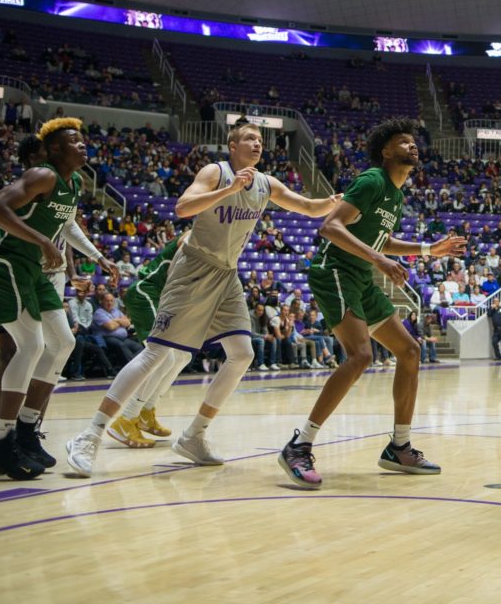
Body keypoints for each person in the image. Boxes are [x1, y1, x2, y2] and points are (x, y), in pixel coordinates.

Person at [66, 123, 342, 477]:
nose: (257, 143)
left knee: (243, 354)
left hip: (226, 274)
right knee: (157, 353)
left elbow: (307, 206)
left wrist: (333, 202)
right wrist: (228, 189)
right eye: (249, 138)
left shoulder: (266, 183)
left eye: (260, 139)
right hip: (194, 267)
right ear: (232, 145)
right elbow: (183, 208)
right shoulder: (216, 172)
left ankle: (194, 435)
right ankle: (90, 434)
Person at [277, 118, 465, 488]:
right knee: (360, 355)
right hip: (335, 271)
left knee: (409, 351)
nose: (412, 146)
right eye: (403, 142)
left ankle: (399, 446)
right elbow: (330, 227)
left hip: (360, 276)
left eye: (414, 142)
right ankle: (299, 445)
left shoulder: (395, 195)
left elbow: (382, 241)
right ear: (385, 151)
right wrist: (378, 259)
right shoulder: (372, 181)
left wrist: (429, 249)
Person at [0, 118, 89, 480]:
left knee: (63, 342)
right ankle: (2, 440)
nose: (81, 146)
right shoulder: (42, 175)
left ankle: (26, 430)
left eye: (83, 141)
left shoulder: (75, 181)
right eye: (73, 142)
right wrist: (44, 241)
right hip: (6, 262)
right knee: (29, 346)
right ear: (53, 149)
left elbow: (64, 226)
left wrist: (74, 257)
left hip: (34, 268)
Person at [107, 233, 190, 448]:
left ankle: (146, 412)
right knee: (165, 357)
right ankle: (126, 419)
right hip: (146, 291)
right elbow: (184, 245)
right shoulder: (197, 232)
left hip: (164, 297)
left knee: (183, 355)